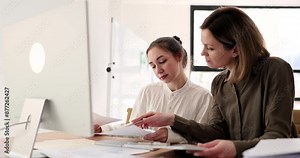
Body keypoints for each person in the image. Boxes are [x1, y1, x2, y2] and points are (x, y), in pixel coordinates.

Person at [132, 7, 298, 158]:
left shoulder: (275, 69)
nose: (203, 52)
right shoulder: (219, 83)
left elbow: (277, 137)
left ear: (235, 49)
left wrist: (234, 147)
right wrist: (172, 119)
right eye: (203, 46)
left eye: (210, 48)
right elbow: (215, 132)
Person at [129, 36, 213, 143]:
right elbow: (132, 129)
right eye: (153, 66)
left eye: (162, 61)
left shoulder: (203, 97)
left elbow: (204, 138)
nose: (158, 70)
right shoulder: (147, 91)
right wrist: (103, 129)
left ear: (179, 56)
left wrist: (171, 136)